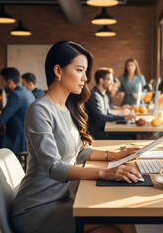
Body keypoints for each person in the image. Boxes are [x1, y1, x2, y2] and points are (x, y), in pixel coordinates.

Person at [12, 41, 140, 233]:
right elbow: (54, 167)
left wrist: (114, 156)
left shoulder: (67, 107)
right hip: (36, 209)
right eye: (80, 70)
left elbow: (78, 150)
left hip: (62, 201)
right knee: (115, 225)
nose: (85, 78)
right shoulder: (39, 110)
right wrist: (104, 173)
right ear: (58, 71)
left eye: (86, 71)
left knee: (123, 219)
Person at [0, 67, 35, 154]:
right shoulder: (26, 92)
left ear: (9, 82)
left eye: (2, 82)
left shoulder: (15, 95)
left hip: (19, 140)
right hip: (29, 138)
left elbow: (1, 120)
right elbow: (12, 111)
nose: (2, 86)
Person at [86, 69, 135, 139]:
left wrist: (124, 117)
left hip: (103, 129)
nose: (112, 83)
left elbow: (108, 113)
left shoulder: (103, 95)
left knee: (131, 135)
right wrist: (124, 117)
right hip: (96, 133)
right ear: (101, 80)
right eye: (109, 80)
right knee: (128, 139)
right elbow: (101, 117)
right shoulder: (94, 95)